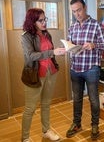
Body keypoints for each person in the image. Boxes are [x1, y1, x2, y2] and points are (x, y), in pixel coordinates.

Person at [66, 0, 104, 139]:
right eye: (74, 12)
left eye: (79, 10)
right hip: (75, 67)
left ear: (85, 7)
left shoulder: (96, 25)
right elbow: (70, 46)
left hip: (91, 68)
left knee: (93, 99)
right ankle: (77, 123)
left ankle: (95, 125)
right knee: (77, 98)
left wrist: (94, 45)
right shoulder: (72, 27)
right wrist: (68, 48)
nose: (77, 14)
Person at [21, 8, 66, 142]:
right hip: (35, 75)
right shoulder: (26, 36)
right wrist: (52, 52)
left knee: (46, 104)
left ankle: (46, 131)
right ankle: (25, 138)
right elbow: (30, 56)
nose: (44, 22)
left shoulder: (47, 34)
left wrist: (59, 53)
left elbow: (50, 52)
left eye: (45, 19)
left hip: (50, 72)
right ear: (32, 21)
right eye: (40, 20)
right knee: (30, 108)